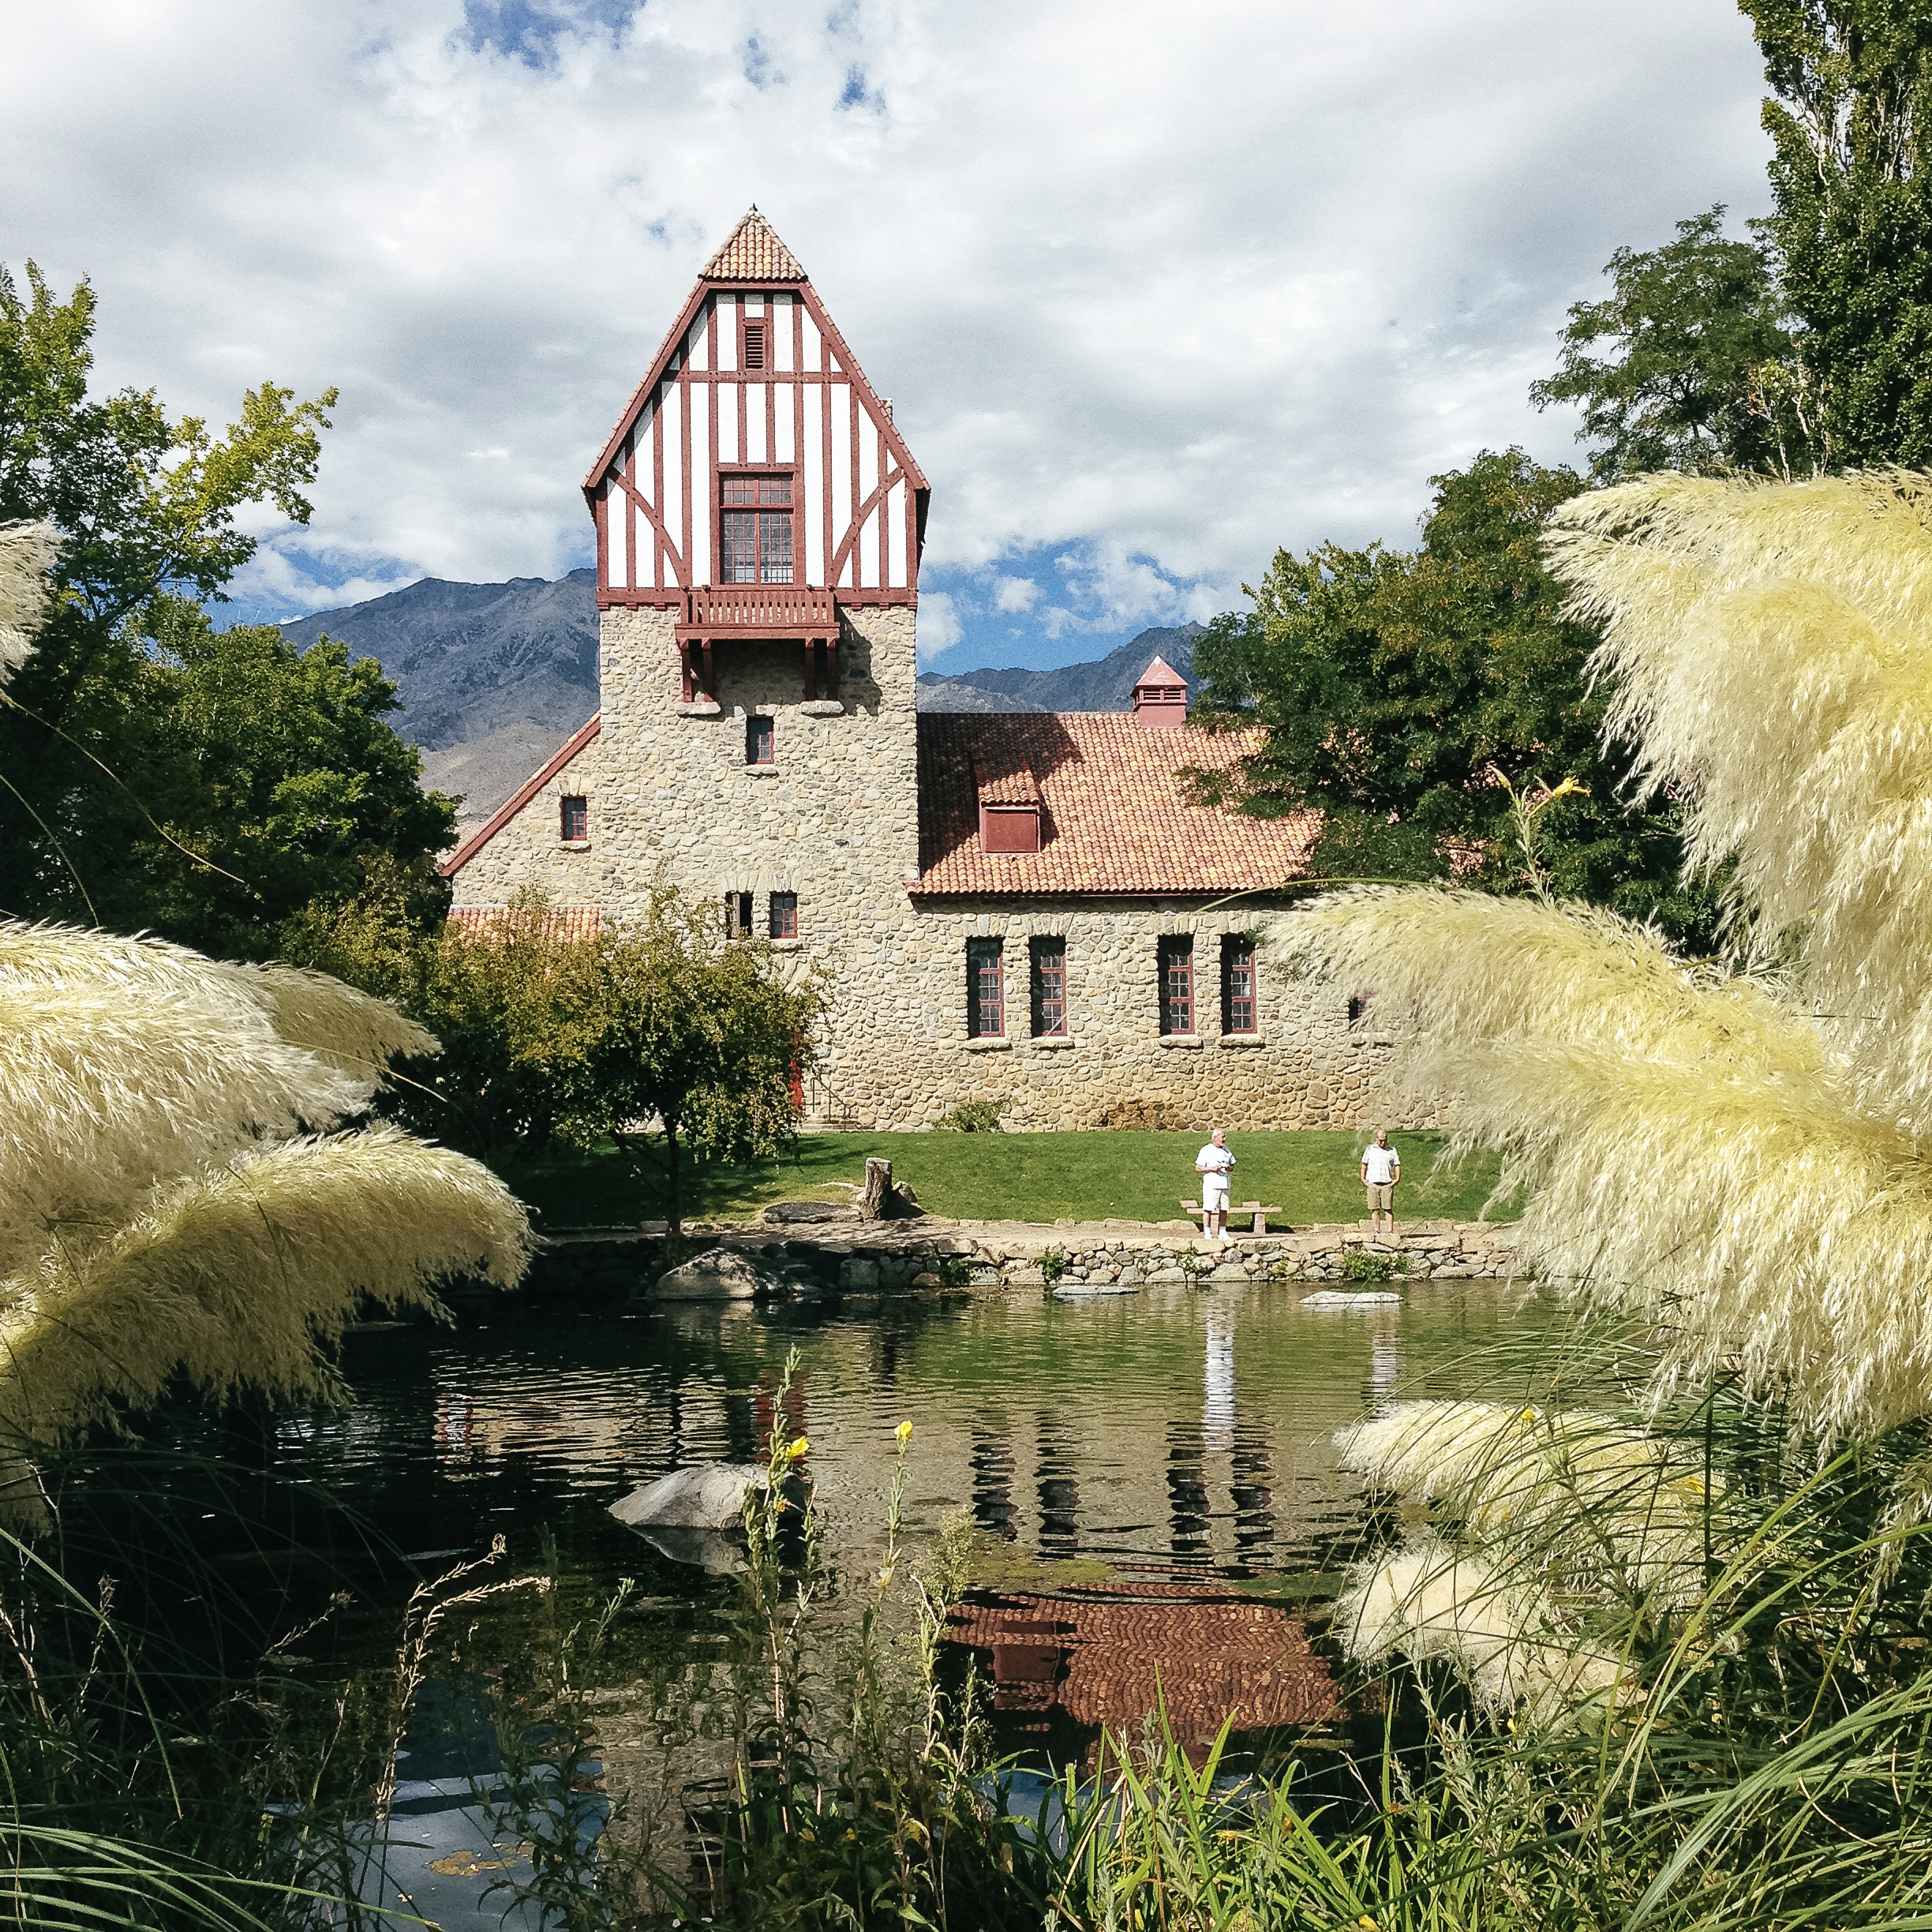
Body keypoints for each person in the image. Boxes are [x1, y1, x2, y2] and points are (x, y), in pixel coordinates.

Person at [1195, 1128, 1235, 1243]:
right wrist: (1212, 1169)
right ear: (1215, 1138)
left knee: (1224, 1209)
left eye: (1224, 1136)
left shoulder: (1226, 1150)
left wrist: (1228, 1168)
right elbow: (1198, 1167)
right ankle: (1207, 1232)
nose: (1224, 1139)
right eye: (1222, 1137)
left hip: (1224, 1184)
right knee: (1208, 1209)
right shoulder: (1206, 1150)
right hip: (1211, 1184)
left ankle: (1222, 1232)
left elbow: (1232, 1166)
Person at [1361, 1128, 1400, 1238]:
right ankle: (1377, 1230)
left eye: (1384, 1140)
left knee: (1388, 1208)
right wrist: (1363, 1179)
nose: (1382, 1143)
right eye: (1380, 1140)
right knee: (1375, 1208)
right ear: (1376, 1139)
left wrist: (1397, 1179)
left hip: (1387, 1183)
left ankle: (1390, 1231)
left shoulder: (1392, 1150)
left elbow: (1397, 1165)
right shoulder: (1370, 1149)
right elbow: (1364, 1164)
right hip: (1373, 1182)